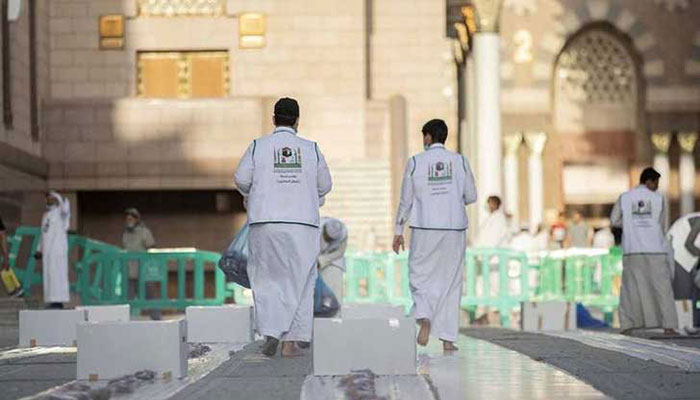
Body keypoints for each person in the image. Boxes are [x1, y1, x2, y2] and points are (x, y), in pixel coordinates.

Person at [235, 97, 332, 357]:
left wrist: (254, 191)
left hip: (265, 222)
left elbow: (241, 179)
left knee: (266, 278)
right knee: (301, 280)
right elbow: (325, 185)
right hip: (303, 224)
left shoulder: (258, 146)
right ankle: (292, 342)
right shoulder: (311, 149)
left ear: (273, 119)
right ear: (297, 120)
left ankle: (271, 330)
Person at [393, 119, 477, 351]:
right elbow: (471, 196)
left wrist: (398, 231)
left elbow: (405, 201)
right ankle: (448, 340)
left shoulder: (415, 162)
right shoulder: (460, 161)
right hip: (454, 228)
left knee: (419, 276)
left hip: (424, 227)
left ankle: (424, 314)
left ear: (428, 137)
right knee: (451, 282)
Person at [610, 167, 678, 335]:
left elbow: (614, 221)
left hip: (632, 251)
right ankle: (668, 325)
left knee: (629, 289)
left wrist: (630, 225)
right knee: (663, 289)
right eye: (656, 182)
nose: (657, 186)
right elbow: (663, 226)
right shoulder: (658, 199)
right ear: (649, 181)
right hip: (656, 250)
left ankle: (627, 325)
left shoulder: (625, 197)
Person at [34, 191, 70, 309]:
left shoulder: (60, 212)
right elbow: (43, 233)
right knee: (49, 276)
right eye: (47, 199)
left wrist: (58, 196)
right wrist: (39, 249)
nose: (48, 201)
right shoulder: (45, 216)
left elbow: (65, 209)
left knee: (57, 275)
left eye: (51, 198)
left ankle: (58, 301)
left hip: (57, 250)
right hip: (48, 252)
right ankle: (51, 300)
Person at [121, 208, 159, 320]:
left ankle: (157, 319)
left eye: (131, 218)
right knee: (128, 299)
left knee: (150, 297)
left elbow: (151, 247)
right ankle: (126, 321)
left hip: (143, 272)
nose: (129, 221)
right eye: (127, 219)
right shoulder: (125, 234)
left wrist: (151, 268)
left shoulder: (144, 232)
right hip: (130, 272)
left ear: (136, 219)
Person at [666, 212, 700, 328]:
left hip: (690, 258)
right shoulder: (698, 220)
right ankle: (683, 324)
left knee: (695, 292)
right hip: (677, 253)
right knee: (684, 291)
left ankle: (694, 323)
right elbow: (689, 244)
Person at [318, 217, 348, 306]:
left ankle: (334, 307)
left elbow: (340, 252)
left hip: (334, 258)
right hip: (314, 256)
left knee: (334, 283)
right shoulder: (315, 229)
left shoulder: (343, 233)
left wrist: (322, 260)